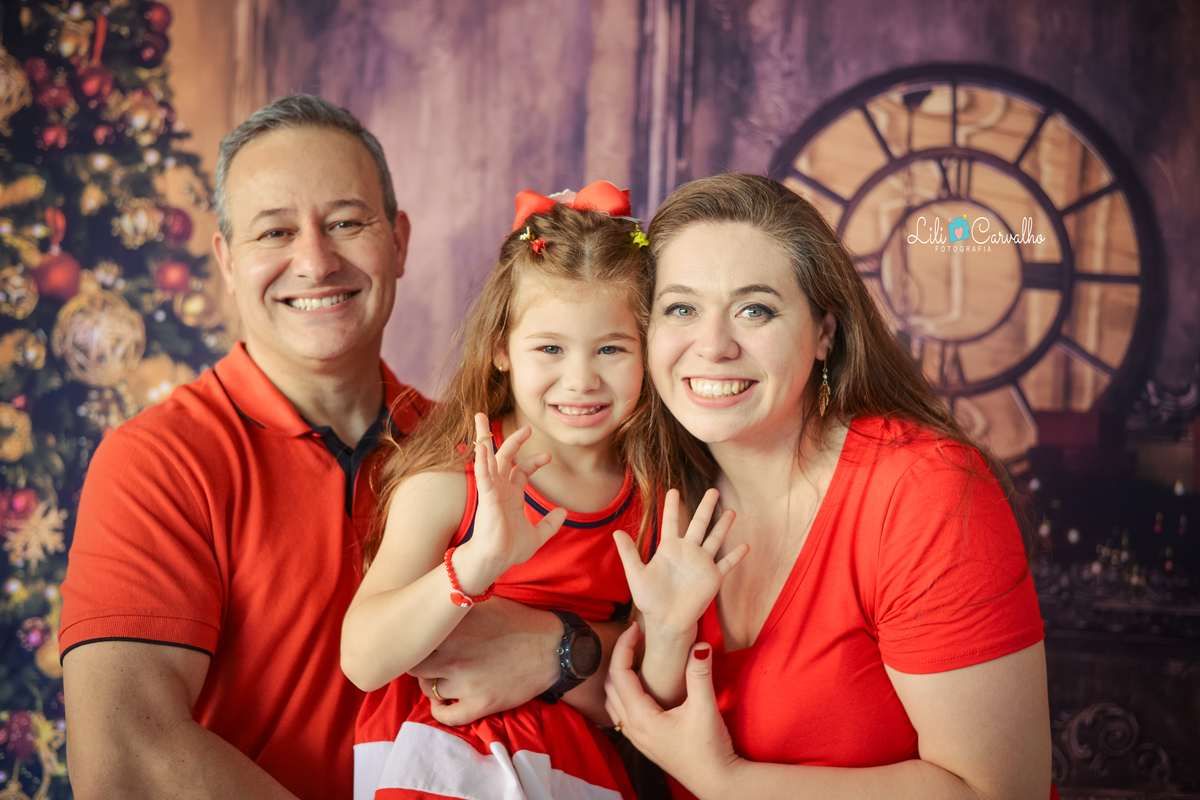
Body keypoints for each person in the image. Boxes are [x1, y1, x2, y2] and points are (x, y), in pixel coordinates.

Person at [57, 95, 595, 800]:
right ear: (225, 259)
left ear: (398, 241)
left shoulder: (484, 452)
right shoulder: (159, 460)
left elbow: (656, 655)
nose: (314, 260)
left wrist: (560, 648)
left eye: (347, 222)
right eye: (273, 233)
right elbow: (123, 755)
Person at [604, 174, 1053, 800]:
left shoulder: (924, 493)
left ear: (825, 333)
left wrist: (725, 782)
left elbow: (1000, 792)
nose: (712, 345)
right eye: (680, 308)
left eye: (754, 309)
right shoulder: (654, 488)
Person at [346, 182, 681, 800]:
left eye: (611, 348)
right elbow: (364, 659)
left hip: (577, 770)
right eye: (549, 348)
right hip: (442, 759)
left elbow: (641, 691)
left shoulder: (654, 498)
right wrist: (474, 564)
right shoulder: (451, 485)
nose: (580, 380)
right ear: (501, 348)